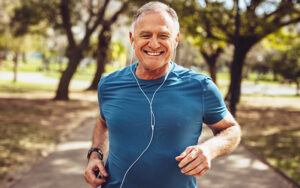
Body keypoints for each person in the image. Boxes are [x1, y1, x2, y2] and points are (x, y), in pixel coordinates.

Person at [84, 1, 241, 188]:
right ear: (132, 38)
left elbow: (232, 130)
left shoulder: (200, 86)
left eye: (163, 35)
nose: (154, 43)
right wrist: (95, 154)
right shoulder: (108, 84)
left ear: (175, 39)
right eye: (146, 35)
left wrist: (209, 149)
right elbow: (103, 122)